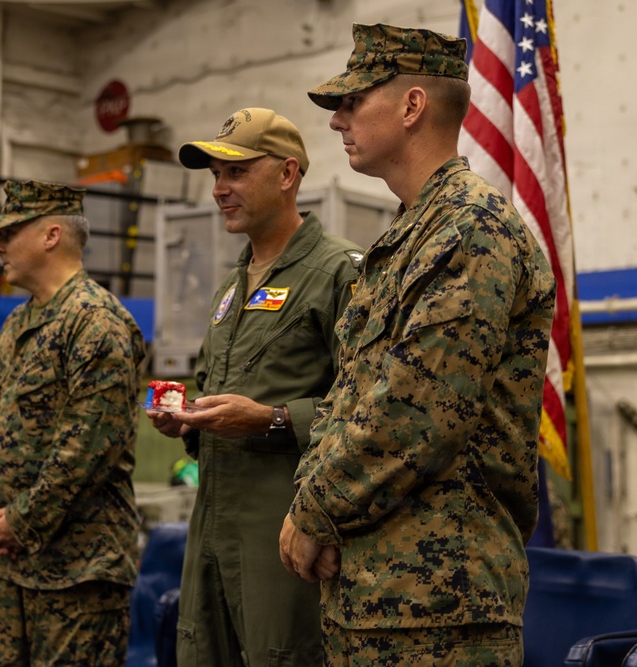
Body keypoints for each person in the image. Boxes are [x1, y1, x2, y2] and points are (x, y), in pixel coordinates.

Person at [279, 23, 557, 666]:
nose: (336, 121)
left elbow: (414, 415)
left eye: (353, 102)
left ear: (411, 106)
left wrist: (314, 511)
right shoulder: (407, 239)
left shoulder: (471, 229)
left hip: (441, 611)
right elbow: (349, 398)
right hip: (374, 599)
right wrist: (309, 505)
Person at [149, 108, 364, 667]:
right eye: (215, 175)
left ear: (287, 174)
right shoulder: (232, 286)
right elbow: (218, 389)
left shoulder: (338, 272)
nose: (220, 189)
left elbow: (371, 411)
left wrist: (270, 420)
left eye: (236, 172)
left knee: (283, 655)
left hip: (287, 533)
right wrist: (188, 419)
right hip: (214, 527)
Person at [0, 179, 146, 666]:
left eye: (9, 233)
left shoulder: (97, 322)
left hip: (78, 571)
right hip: (10, 564)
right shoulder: (15, 325)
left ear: (51, 235)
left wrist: (20, 521)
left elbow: (86, 452)